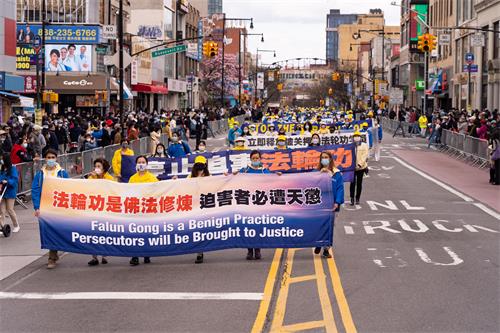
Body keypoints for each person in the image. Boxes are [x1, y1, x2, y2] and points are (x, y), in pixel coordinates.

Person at [235, 150, 281, 260]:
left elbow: (272, 179)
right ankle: (249, 250)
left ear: (260, 159)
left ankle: (258, 249)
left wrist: (277, 175)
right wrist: (231, 174)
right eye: (253, 158)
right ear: (250, 159)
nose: (255, 160)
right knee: (248, 226)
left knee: (258, 226)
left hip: (260, 202)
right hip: (248, 202)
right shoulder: (245, 170)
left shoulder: (264, 171)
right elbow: (234, 177)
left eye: (257, 158)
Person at [31, 149, 69, 269]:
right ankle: (52, 257)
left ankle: (55, 252)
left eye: (53, 157)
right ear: (45, 158)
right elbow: (35, 191)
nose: (51, 159)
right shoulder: (40, 175)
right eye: (49, 157)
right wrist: (37, 207)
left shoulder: (63, 173)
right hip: (45, 207)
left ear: (56, 158)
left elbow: (69, 189)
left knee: (58, 231)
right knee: (48, 231)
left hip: (59, 207)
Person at [129, 155, 158, 266]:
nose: (141, 164)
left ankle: (146, 254)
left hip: (148, 210)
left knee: (146, 233)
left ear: (146, 164)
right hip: (136, 209)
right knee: (135, 234)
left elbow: (158, 191)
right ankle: (134, 256)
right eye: (139, 162)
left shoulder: (152, 178)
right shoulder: (132, 178)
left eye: (143, 162)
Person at [314, 151, 343, 258]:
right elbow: (310, 183)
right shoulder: (316, 171)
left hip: (332, 204)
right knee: (318, 225)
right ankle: (318, 243)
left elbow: (340, 189)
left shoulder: (337, 173)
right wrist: (320, 175)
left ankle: (326, 248)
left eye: (326, 157)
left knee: (330, 227)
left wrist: (337, 202)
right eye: (322, 157)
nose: (324, 159)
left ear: (330, 159)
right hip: (320, 204)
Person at [87, 158, 114, 266]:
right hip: (93, 208)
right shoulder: (91, 178)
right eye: (96, 166)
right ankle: (94, 257)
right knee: (93, 233)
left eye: (99, 166)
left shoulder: (110, 179)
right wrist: (92, 177)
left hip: (106, 209)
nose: (97, 168)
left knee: (105, 232)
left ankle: (104, 255)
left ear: (104, 168)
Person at [189, 155, 210, 264]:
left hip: (205, 207)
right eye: (198, 166)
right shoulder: (190, 177)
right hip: (194, 207)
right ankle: (198, 251)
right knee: (195, 230)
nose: (200, 168)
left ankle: (200, 251)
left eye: (202, 166)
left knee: (202, 230)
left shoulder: (209, 178)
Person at [0, 153, 20, 233]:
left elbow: (15, 180)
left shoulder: (13, 168)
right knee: (2, 211)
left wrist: (7, 181)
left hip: (10, 191)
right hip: (2, 192)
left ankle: (16, 225)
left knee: (10, 209)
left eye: (2, 159)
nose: (1, 160)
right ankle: (3, 227)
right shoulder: (2, 168)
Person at [350, 131, 368, 206]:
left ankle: (358, 198)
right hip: (352, 168)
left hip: (361, 168)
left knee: (359, 183)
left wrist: (360, 164)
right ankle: (352, 198)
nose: (356, 137)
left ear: (360, 137)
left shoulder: (364, 145)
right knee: (352, 184)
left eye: (358, 136)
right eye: (355, 136)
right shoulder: (350, 145)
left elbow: (365, 155)